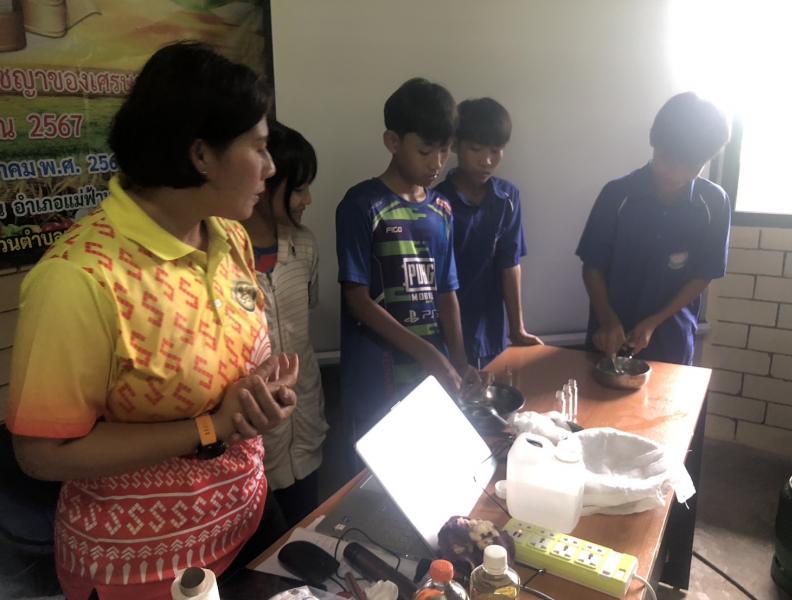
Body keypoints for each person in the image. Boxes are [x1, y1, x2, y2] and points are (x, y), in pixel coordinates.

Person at [6, 41, 298, 600]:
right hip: (144, 569)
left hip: (248, 520)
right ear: (201, 155)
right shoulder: (80, 277)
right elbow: (41, 455)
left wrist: (262, 398)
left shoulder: (228, 235)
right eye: (259, 148)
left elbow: (236, 371)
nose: (271, 167)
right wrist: (209, 428)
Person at [336, 77, 474, 439]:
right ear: (393, 142)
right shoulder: (362, 205)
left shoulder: (442, 208)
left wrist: (459, 362)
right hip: (377, 377)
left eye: (445, 151)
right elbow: (357, 300)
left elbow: (446, 292)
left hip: (429, 376)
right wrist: (428, 353)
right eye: (426, 151)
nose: (437, 163)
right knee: (377, 464)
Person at [576, 92, 731, 365]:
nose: (676, 174)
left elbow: (704, 273)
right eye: (668, 160)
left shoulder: (714, 203)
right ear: (653, 141)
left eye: (691, 166)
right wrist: (607, 319)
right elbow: (592, 266)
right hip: (609, 336)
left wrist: (654, 321)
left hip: (673, 337)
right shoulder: (617, 195)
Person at [242, 121, 328, 527]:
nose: (307, 199)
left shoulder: (304, 245)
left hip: (305, 422)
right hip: (253, 436)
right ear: (263, 180)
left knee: (307, 527)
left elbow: (304, 314)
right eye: (298, 189)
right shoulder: (221, 255)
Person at [435, 98, 542, 369]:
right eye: (475, 149)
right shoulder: (436, 202)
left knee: (495, 392)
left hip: (492, 332)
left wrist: (517, 328)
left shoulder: (507, 197)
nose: (486, 161)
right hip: (444, 333)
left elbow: (510, 263)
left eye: (495, 150)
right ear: (456, 145)